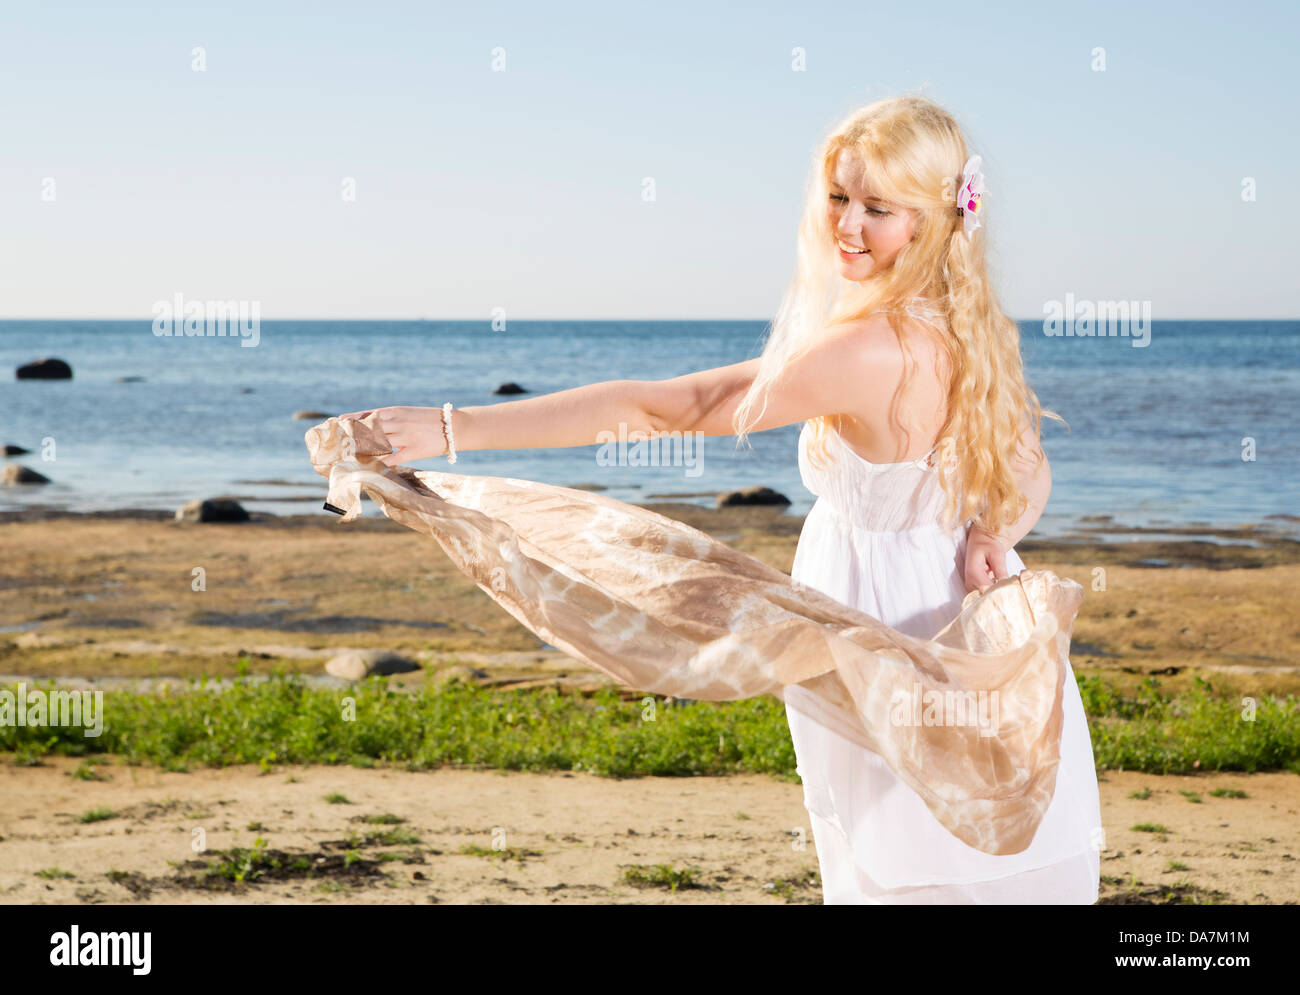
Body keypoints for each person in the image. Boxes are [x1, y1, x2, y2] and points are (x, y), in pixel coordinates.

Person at [338, 94, 1103, 905]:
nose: (848, 224)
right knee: (958, 854)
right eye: (840, 197)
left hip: (885, 624)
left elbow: (672, 408)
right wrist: (995, 531)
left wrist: (456, 427)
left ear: (934, 219)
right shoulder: (970, 325)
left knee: (901, 855)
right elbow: (1031, 470)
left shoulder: (869, 349)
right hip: (953, 619)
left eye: (879, 208)